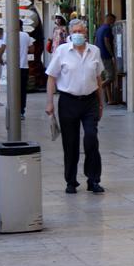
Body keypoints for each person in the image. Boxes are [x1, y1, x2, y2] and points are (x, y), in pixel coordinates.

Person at [45, 18, 105, 194]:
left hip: (89, 101)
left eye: (81, 31)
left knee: (91, 138)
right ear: (70, 33)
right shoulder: (62, 51)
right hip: (68, 100)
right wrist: (49, 102)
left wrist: (101, 103)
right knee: (70, 143)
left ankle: (93, 179)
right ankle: (71, 181)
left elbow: (98, 78)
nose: (79, 34)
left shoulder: (94, 51)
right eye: (76, 31)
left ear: (86, 33)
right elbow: (51, 77)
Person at [95, 13, 118, 105]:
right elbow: (106, 41)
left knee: (104, 77)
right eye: (113, 21)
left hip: (99, 55)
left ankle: (110, 99)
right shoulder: (107, 29)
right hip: (106, 56)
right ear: (109, 19)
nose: (113, 23)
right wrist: (112, 54)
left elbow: (96, 41)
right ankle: (94, 91)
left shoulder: (99, 29)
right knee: (111, 77)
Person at [18, 27, 36, 119]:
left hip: (12, 68)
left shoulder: (8, 35)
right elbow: (32, 50)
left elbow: (3, 48)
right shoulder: (26, 35)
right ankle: (21, 111)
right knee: (22, 90)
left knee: (13, 90)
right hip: (24, 66)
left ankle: (13, 110)